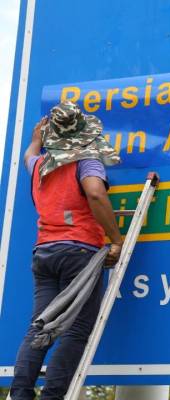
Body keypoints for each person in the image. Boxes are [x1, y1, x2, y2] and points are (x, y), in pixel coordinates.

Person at [10, 101, 122, 400]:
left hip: (44, 253)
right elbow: (96, 193)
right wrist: (116, 239)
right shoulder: (86, 158)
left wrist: (36, 140)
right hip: (79, 253)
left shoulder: (39, 165)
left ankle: (20, 394)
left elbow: (28, 156)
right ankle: (53, 396)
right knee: (75, 330)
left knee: (40, 328)